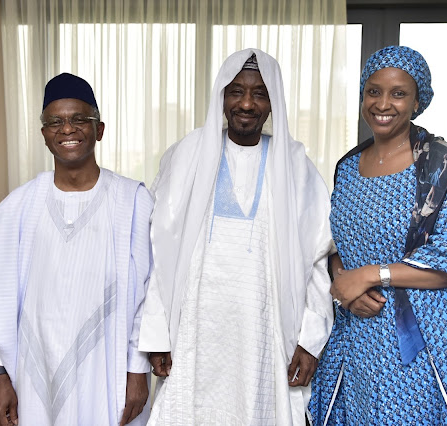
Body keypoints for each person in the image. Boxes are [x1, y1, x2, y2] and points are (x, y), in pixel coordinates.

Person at [137, 49, 334, 425]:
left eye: (259, 93)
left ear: (273, 102)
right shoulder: (188, 153)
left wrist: (310, 340)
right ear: (221, 97)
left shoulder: (295, 166)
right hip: (192, 329)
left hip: (266, 331)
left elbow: (318, 260)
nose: (246, 103)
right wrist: (157, 333)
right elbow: (158, 248)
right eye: (236, 91)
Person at [309, 46, 447, 425]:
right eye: (373, 91)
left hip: (423, 337)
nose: (383, 103)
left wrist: (372, 275)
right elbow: (335, 244)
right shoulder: (347, 167)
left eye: (398, 93)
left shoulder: (440, 164)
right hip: (360, 331)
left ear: (417, 101)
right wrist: (346, 280)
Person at [0, 73, 152, 426]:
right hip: (33, 371)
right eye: (55, 122)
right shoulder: (21, 204)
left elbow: (150, 293)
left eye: (79, 119)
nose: (67, 129)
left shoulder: (132, 200)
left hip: (106, 371)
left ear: (100, 128)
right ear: (44, 134)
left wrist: (137, 369)